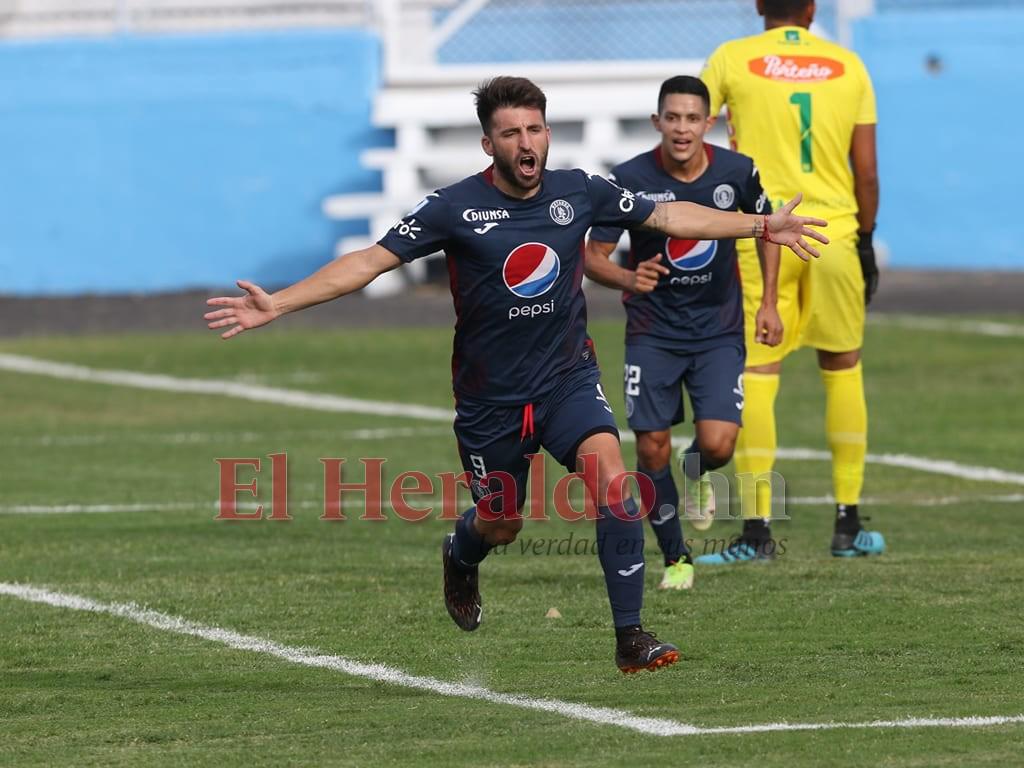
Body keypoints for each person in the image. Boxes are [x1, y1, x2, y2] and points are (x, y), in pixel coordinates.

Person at [204, 76, 828, 672]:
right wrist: (278, 303)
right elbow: (370, 261)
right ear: (489, 144)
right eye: (510, 133)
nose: (526, 143)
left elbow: (669, 218)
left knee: (616, 487)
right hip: (491, 402)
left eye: (534, 129)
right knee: (501, 523)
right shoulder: (454, 207)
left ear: (548, 134)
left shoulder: (579, 191)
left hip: (567, 382)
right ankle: (461, 553)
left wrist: (762, 224)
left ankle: (630, 636)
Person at [698, 0, 885, 561]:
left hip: (764, 231)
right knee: (843, 366)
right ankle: (848, 524)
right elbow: (867, 172)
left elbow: (688, 135)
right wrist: (866, 240)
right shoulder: (847, 64)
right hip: (834, 233)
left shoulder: (731, 58)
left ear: (759, 5)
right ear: (812, 8)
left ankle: (757, 531)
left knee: (758, 371)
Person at [585, 75, 784, 589]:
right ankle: (677, 558)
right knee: (651, 449)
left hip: (718, 329)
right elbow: (592, 256)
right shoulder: (628, 178)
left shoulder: (737, 171)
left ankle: (695, 467)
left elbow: (768, 230)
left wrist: (768, 302)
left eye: (692, 118)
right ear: (657, 122)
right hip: (652, 332)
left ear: (708, 122)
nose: (682, 128)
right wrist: (630, 278)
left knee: (719, 445)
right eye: (672, 117)